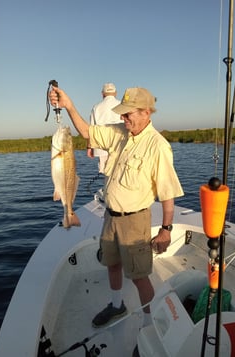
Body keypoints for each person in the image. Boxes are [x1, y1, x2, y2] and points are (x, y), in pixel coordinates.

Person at [49, 86, 184, 355]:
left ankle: (148, 326)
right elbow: (88, 133)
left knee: (139, 276)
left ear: (146, 113)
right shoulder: (121, 132)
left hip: (135, 222)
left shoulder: (158, 146)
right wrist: (69, 105)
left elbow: (168, 194)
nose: (124, 119)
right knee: (111, 263)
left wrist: (166, 229)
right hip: (110, 215)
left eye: (129, 114)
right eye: (122, 114)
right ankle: (116, 304)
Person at [87, 83, 122, 174]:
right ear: (116, 93)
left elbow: (91, 129)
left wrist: (89, 148)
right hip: (120, 145)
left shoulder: (96, 107)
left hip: (101, 147)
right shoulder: (122, 105)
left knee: (106, 173)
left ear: (102, 93)